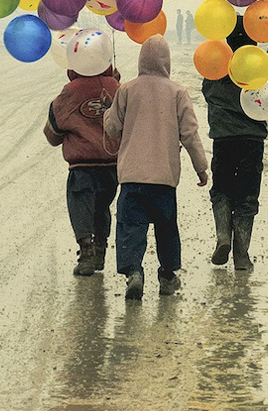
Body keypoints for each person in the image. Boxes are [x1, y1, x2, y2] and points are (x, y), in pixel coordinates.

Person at [104, 34, 208, 299]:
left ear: (141, 59)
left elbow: (112, 128)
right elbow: (190, 133)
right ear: (167, 61)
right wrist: (201, 167)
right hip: (164, 177)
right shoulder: (178, 92)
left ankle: (134, 273)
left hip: (132, 176)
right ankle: (167, 275)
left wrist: (109, 111)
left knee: (131, 226)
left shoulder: (126, 89)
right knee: (166, 227)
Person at [201, 17, 266, 271]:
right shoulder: (260, 66)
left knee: (222, 189)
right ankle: (241, 255)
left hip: (223, 139)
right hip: (252, 140)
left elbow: (208, 92)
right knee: (247, 195)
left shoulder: (217, 65)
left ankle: (223, 237)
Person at [44, 65, 120, 276]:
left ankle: (86, 252)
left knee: (81, 205)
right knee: (102, 207)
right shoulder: (115, 86)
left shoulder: (71, 91)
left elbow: (52, 133)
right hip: (111, 163)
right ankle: (100, 250)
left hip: (82, 165)